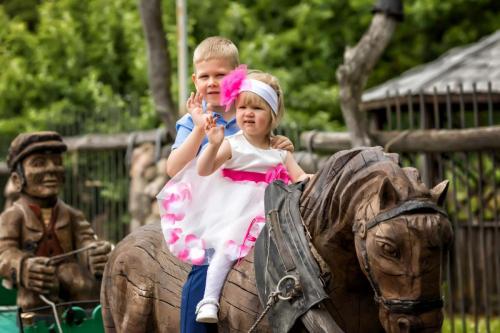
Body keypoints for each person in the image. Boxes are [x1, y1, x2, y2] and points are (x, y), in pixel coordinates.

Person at [158, 67, 310, 323]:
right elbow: (204, 169)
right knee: (227, 251)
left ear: (272, 117)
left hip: (271, 214)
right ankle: (209, 299)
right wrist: (214, 143)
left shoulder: (280, 152)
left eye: (257, 109)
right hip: (238, 214)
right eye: (242, 108)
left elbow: (301, 177)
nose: (248, 113)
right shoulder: (233, 143)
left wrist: (321, 178)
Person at [0, 131, 112, 310]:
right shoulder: (12, 217)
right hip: (36, 305)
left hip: (81, 301)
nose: (51, 169)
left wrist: (93, 255)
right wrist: (23, 267)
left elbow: (87, 240)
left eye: (57, 162)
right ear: (17, 179)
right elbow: (4, 253)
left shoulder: (73, 215)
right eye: (38, 164)